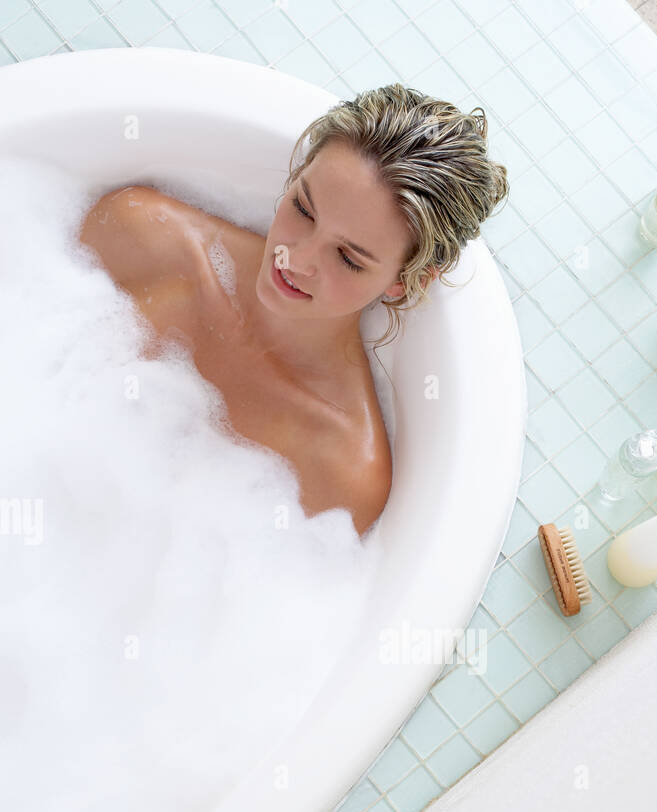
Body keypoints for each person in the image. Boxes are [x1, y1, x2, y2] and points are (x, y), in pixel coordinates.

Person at [77, 83, 509, 536]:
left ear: (406, 282)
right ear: (300, 171)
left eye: (348, 258)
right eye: (304, 209)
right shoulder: (143, 235)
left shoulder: (339, 467)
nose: (296, 259)